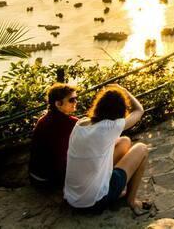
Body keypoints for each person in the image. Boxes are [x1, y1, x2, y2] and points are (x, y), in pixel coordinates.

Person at [64, 85, 152, 215]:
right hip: (94, 203)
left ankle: (112, 184)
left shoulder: (80, 124)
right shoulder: (110, 127)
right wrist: (124, 91)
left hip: (73, 198)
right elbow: (139, 110)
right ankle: (131, 200)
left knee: (125, 141)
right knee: (142, 148)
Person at [29, 83, 79, 188]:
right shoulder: (71, 123)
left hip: (36, 177)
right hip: (50, 180)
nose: (76, 102)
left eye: (76, 98)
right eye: (71, 100)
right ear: (58, 103)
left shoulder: (43, 120)